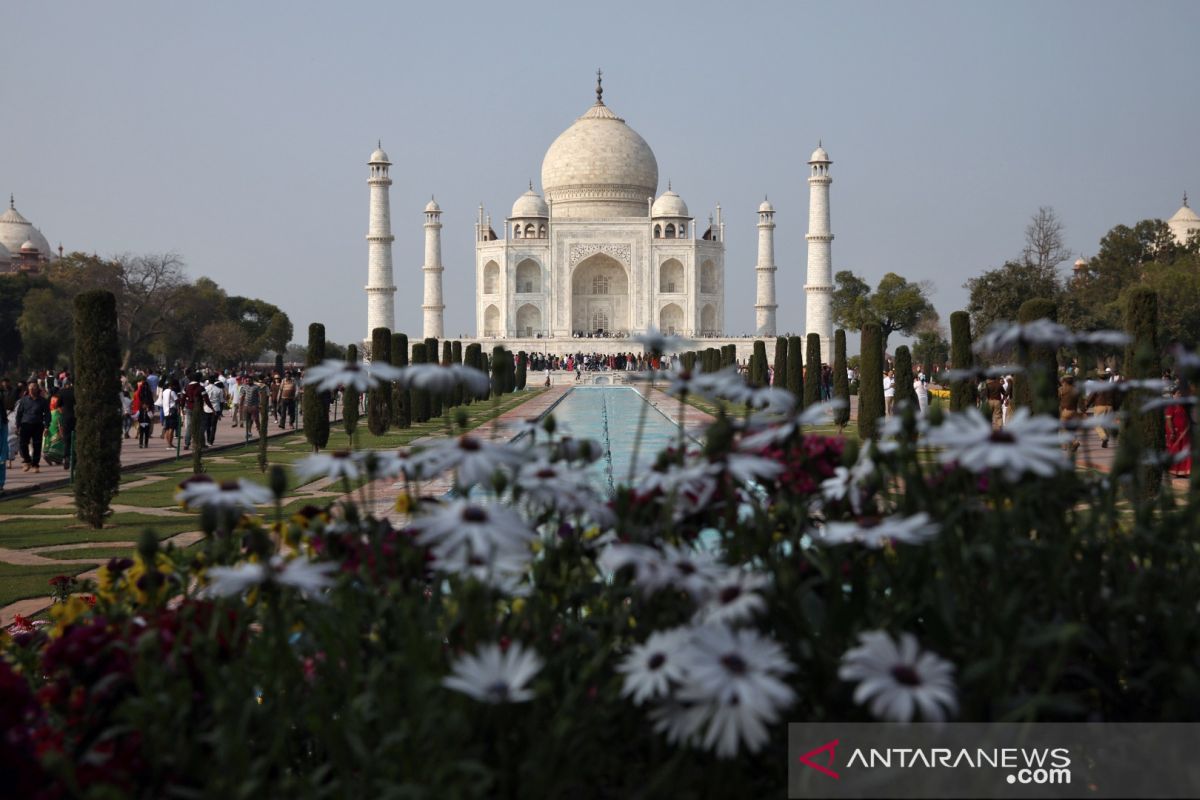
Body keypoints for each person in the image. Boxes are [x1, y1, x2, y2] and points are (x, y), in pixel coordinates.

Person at [14, 382, 50, 473]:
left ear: (37, 389)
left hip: (38, 425)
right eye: (30, 388)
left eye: (34, 388)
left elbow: (47, 415)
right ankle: (27, 461)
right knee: (23, 445)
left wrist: (46, 426)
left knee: (37, 446)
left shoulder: (43, 401)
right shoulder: (24, 400)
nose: (31, 389)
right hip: (25, 424)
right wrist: (17, 426)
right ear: (28, 389)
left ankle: (35, 465)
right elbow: (19, 414)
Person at [1164, 388, 1192, 478]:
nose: (1180, 395)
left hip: (1185, 433)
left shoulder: (1184, 406)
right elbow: (1168, 420)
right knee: (1175, 451)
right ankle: (1174, 471)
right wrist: (1172, 432)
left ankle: (1184, 471)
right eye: (1178, 393)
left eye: (1181, 393)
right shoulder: (1171, 406)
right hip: (1175, 433)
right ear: (1173, 395)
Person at [1087, 368, 1116, 449]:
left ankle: (1104, 437)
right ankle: (1105, 441)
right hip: (1110, 407)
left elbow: (1091, 397)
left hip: (1099, 406)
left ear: (1099, 377)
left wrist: (1086, 405)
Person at [1059, 375, 1082, 452]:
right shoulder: (1076, 390)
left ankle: (1073, 442)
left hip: (1065, 411)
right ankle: (1067, 445)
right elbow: (1080, 402)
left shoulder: (1061, 389)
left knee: (1063, 428)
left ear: (1064, 382)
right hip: (1074, 412)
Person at [42, 396, 65, 466]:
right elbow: (60, 426)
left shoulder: (51, 412)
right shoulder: (59, 415)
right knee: (57, 447)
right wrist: (62, 435)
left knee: (52, 447)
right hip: (56, 435)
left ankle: (57, 460)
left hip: (49, 434)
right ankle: (50, 457)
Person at [133, 377, 154, 449]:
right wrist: (133, 417)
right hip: (142, 423)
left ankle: (146, 444)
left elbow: (151, 417)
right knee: (142, 434)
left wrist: (148, 410)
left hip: (146, 423)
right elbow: (136, 416)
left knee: (146, 435)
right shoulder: (141, 410)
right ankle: (141, 444)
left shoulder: (142, 391)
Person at [160, 379, 179, 449]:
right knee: (172, 428)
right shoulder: (172, 392)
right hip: (172, 411)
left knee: (167, 428)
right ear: (171, 386)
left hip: (166, 411)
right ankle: (170, 444)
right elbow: (177, 400)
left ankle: (169, 444)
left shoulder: (164, 392)